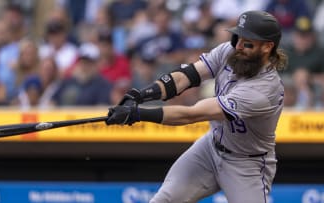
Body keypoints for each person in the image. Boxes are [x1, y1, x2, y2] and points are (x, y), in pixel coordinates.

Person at [106, 10, 287, 203]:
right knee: (164, 200)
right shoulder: (229, 51)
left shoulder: (265, 88)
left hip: (246, 163)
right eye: (238, 37)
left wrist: (138, 114)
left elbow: (192, 114)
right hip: (210, 149)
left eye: (248, 42)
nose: (239, 45)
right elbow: (187, 76)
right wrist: (143, 94)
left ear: (267, 47)